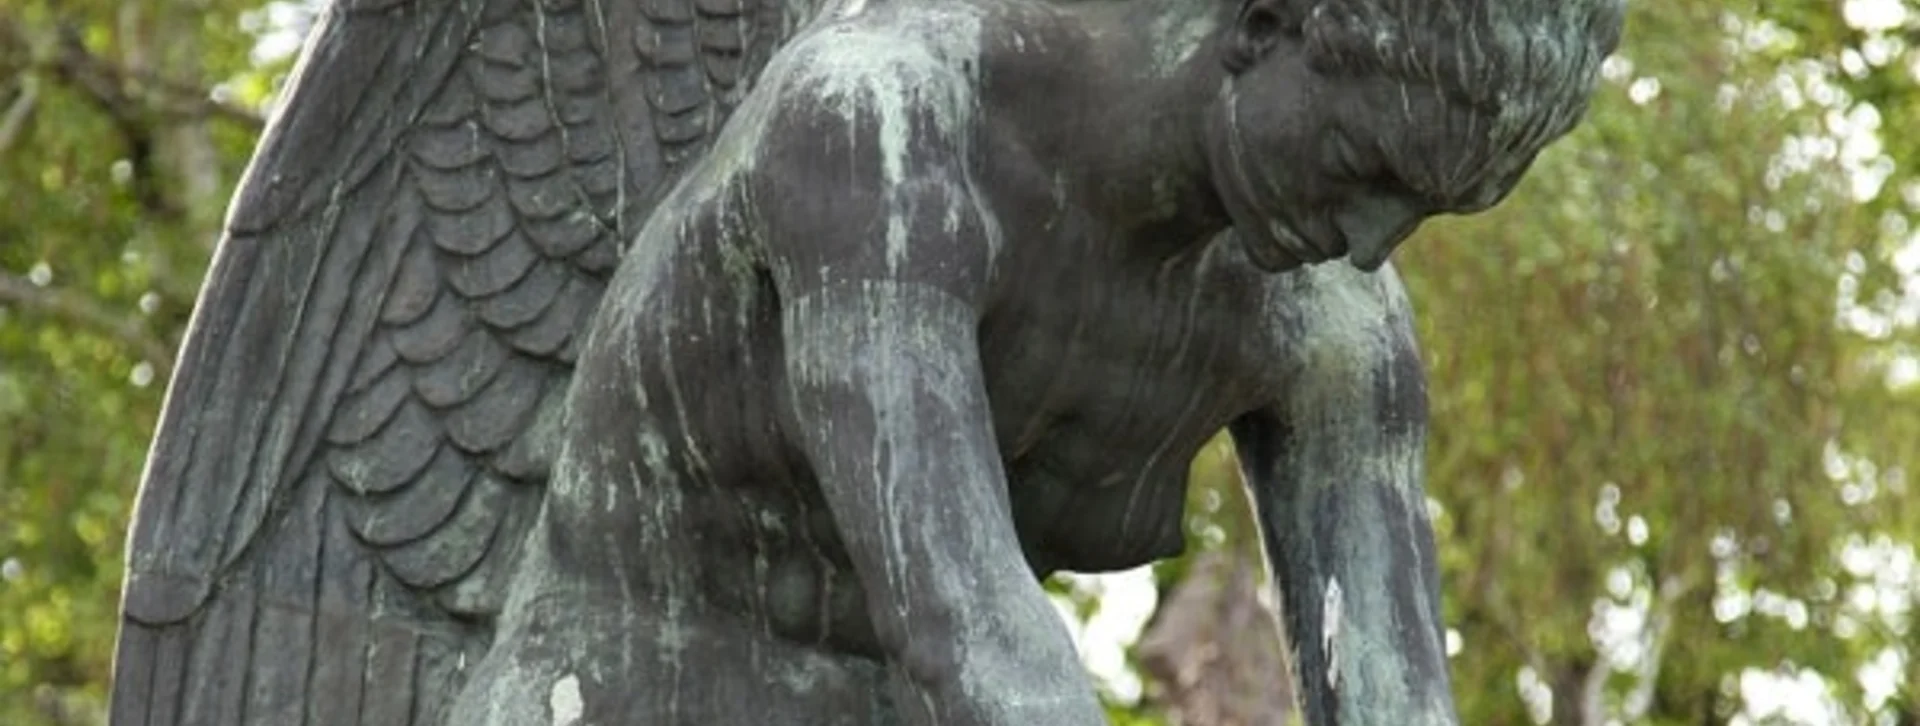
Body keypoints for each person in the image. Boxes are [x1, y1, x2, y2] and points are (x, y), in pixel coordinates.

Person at [449, 0, 1622, 723]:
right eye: (1364, 164)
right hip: (623, 695)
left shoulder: (1331, 317)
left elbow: (1394, 704)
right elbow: (971, 633)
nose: (1374, 244)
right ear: (1264, 28)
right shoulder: (881, 124)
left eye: (1421, 208)